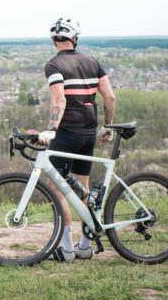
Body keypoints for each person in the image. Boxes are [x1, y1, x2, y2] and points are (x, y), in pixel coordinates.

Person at [39, 18, 116, 262]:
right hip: (88, 131)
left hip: (67, 131)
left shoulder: (53, 65)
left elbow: (59, 99)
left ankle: (66, 249)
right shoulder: (92, 61)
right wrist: (108, 126)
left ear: (54, 41)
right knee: (82, 188)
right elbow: (110, 97)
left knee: (56, 188)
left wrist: (52, 127)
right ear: (75, 39)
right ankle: (84, 247)